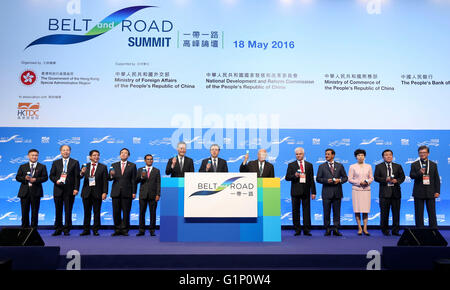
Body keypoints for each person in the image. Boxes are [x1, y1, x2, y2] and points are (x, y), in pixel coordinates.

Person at [49, 145, 80, 236]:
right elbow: (51, 175)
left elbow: (77, 177)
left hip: (70, 190)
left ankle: (67, 229)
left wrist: (76, 188)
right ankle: (58, 228)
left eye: (67, 150)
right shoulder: (55, 162)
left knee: (68, 210)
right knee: (58, 210)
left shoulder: (75, 162)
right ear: (60, 152)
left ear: (70, 151)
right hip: (58, 189)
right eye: (63, 150)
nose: (65, 152)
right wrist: (56, 181)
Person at [285, 147, 316, 236]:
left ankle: (306, 229)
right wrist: (294, 175)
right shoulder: (291, 165)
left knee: (307, 211)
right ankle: (297, 229)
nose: (298, 155)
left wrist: (313, 192)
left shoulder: (309, 165)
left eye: (300, 154)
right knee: (295, 211)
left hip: (306, 191)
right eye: (297, 154)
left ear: (303, 154)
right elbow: (287, 178)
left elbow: (311, 180)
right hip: (295, 191)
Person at [316, 148, 348, 236]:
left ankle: (336, 229)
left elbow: (345, 178)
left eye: (328, 154)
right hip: (326, 193)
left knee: (337, 212)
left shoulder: (340, 165)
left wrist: (340, 180)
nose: (326, 156)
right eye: (325, 154)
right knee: (326, 212)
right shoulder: (321, 166)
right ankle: (327, 229)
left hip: (337, 193)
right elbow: (318, 179)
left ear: (333, 155)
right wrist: (326, 180)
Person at [374, 149, 405, 236]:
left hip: (396, 193)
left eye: (390, 155)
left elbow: (402, 177)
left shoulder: (398, 166)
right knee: (384, 213)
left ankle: (395, 230)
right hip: (384, 193)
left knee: (396, 213)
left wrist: (397, 180)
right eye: (386, 155)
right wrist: (385, 179)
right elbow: (376, 177)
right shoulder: (378, 166)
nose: (388, 156)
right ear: (383, 157)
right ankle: (385, 230)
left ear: (392, 156)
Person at [15, 149, 48, 229]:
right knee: (24, 212)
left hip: (36, 192)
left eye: (36, 155)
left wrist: (36, 180)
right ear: (28, 156)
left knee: (35, 212)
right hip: (24, 192)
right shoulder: (22, 166)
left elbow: (45, 177)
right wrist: (24, 178)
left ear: (38, 156)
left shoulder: (42, 166)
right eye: (32, 155)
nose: (34, 157)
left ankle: (34, 229)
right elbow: (17, 177)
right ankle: (24, 229)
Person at [410, 145, 440, 229]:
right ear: (418, 154)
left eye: (424, 152)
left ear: (428, 153)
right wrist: (419, 172)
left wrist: (437, 191)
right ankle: (420, 231)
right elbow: (412, 176)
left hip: (431, 192)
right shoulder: (414, 164)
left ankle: (433, 230)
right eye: (420, 153)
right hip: (418, 192)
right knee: (419, 213)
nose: (422, 154)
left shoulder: (433, 164)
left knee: (432, 212)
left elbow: (436, 179)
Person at [79, 150, 108, 236]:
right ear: (90, 157)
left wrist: (105, 192)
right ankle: (86, 230)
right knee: (86, 212)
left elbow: (105, 181)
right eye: (94, 155)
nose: (96, 157)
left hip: (98, 192)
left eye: (98, 155)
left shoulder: (103, 167)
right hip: (86, 192)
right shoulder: (85, 166)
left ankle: (95, 230)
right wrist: (82, 172)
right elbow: (79, 177)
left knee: (97, 212)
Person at [109, 148, 137, 236]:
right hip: (116, 192)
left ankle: (125, 229)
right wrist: (111, 175)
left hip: (127, 192)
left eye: (126, 153)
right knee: (116, 212)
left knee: (126, 212)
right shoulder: (114, 165)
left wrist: (134, 192)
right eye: (122, 153)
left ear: (128, 155)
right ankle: (117, 229)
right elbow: (109, 178)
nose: (123, 154)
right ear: (120, 155)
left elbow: (134, 180)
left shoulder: (132, 165)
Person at [348, 149, 373, 236]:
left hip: (366, 190)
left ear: (364, 156)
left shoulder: (368, 166)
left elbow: (371, 178)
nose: (360, 157)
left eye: (362, 155)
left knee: (365, 210)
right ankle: (359, 228)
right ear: (356, 157)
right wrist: (359, 183)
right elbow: (350, 179)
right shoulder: (352, 166)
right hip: (356, 190)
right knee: (357, 210)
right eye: (358, 155)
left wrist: (367, 182)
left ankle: (365, 228)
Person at [136, 154, 161, 236]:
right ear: (145, 161)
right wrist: (141, 177)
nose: (150, 160)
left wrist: (158, 194)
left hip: (153, 195)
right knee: (142, 213)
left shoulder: (156, 171)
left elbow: (158, 183)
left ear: (153, 160)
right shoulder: (140, 170)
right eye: (148, 159)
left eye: (151, 159)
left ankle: (152, 230)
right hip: (143, 195)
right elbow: (136, 181)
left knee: (153, 213)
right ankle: (141, 230)